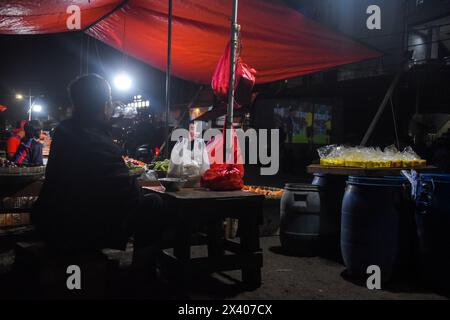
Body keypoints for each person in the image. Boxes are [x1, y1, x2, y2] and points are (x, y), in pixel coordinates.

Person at [33, 74, 165, 284]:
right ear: (104, 105)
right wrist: (136, 185)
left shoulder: (64, 130)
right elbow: (125, 191)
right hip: (76, 226)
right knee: (154, 204)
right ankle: (141, 277)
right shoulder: (96, 138)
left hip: (51, 218)